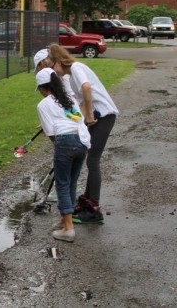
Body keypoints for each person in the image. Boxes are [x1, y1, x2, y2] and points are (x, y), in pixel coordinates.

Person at [48, 43, 119, 224]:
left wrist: (88, 114)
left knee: (92, 160)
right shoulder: (70, 76)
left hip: (105, 116)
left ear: (58, 61)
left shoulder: (76, 68)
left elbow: (86, 88)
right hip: (96, 118)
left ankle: (94, 208)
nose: (53, 71)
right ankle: (87, 202)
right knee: (88, 156)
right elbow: (77, 102)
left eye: (52, 66)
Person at [35, 68, 91, 242]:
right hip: (82, 141)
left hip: (65, 141)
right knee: (71, 182)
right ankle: (64, 217)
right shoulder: (69, 98)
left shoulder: (43, 104)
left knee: (62, 183)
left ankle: (68, 228)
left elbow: (51, 132)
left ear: (43, 88)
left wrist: (61, 151)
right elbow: (76, 119)